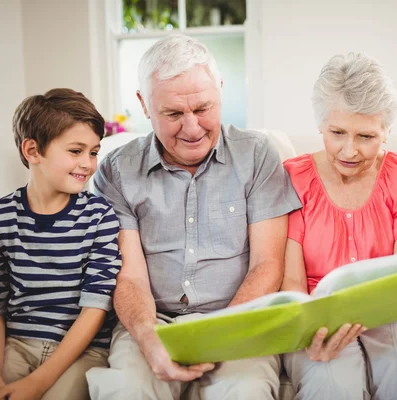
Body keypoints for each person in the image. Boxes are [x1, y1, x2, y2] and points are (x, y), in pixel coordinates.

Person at [85, 34, 301, 400]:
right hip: (153, 321)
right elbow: (131, 277)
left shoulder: (258, 154)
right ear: (144, 104)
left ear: (220, 90)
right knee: (128, 391)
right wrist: (148, 338)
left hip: (238, 318)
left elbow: (267, 264)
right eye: (172, 114)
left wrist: (223, 333)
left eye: (203, 108)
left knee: (245, 392)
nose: (191, 128)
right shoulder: (117, 170)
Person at [281, 53, 397, 400]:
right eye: (337, 133)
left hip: (391, 309)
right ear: (320, 125)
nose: (350, 150)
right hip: (315, 311)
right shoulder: (293, 177)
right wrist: (312, 327)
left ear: (387, 131)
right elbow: (293, 281)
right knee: (332, 383)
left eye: (366, 136)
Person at [0, 89, 122, 400]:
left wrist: (37, 384)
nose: (88, 164)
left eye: (93, 152)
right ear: (33, 150)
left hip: (83, 351)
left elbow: (95, 308)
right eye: (76, 151)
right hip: (17, 345)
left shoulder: (99, 217)